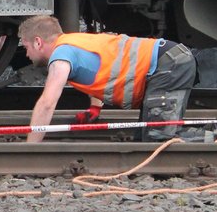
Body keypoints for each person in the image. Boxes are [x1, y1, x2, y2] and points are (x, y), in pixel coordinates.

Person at [18, 15, 196, 143]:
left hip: (168, 64)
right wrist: (95, 107)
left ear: (38, 42)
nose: (26, 54)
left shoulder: (61, 57)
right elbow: (103, 67)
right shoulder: (75, 42)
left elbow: (47, 103)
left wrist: (30, 148)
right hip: (168, 62)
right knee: (143, 139)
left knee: (159, 139)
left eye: (25, 47)